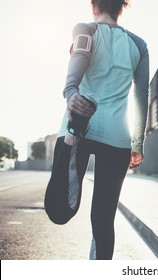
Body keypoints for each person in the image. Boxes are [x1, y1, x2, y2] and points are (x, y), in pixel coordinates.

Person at [44, 0, 149, 260]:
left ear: (94, 6)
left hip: (81, 118)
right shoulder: (139, 45)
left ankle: (72, 136)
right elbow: (142, 94)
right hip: (117, 137)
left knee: (59, 211)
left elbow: (80, 56)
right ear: (121, 9)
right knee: (103, 220)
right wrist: (137, 143)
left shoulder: (86, 29)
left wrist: (71, 93)